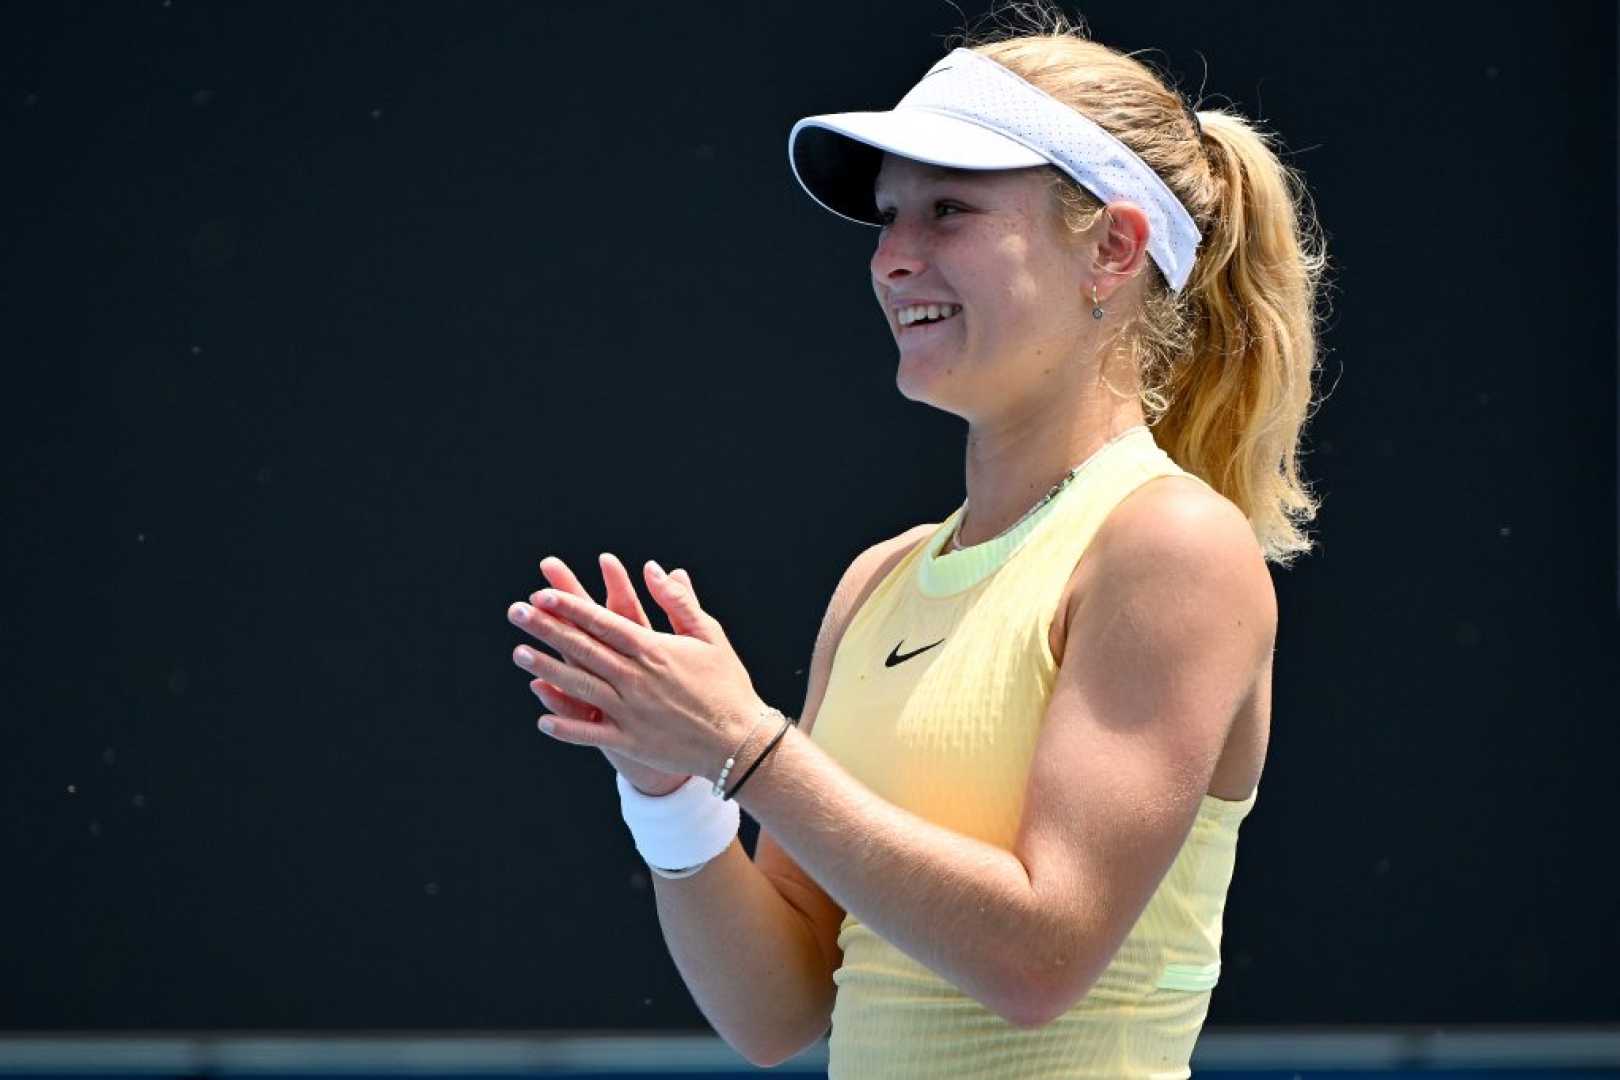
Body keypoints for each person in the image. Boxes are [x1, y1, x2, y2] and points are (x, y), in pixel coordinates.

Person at [505, 5, 1328, 1076]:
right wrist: (671, 787)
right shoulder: (876, 582)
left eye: (948, 210)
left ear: (1114, 248)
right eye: (889, 217)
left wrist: (745, 747)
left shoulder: (1172, 544)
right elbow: (780, 1011)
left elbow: (1042, 956)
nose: (892, 258)